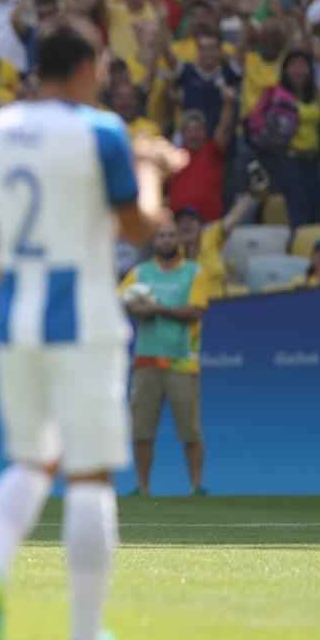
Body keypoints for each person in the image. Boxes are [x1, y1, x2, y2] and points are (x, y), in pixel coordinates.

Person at [0, 22, 188, 640]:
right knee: (90, 476)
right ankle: (87, 639)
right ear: (89, 66)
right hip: (84, 315)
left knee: (30, 461)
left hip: (17, 316)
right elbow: (139, 224)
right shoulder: (101, 131)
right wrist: (153, 170)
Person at [120, 213, 212, 497]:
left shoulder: (195, 273)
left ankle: (196, 486)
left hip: (182, 360)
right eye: (161, 236)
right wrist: (136, 309)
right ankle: (143, 487)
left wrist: (156, 309)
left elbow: (196, 310)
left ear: (180, 240)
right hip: (146, 359)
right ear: (154, 241)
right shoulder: (139, 273)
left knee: (190, 431)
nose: (167, 240)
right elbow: (122, 301)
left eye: (172, 235)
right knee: (141, 431)